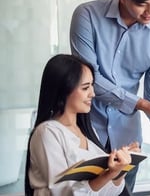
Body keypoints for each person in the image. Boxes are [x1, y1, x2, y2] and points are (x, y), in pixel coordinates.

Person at [69, 0, 150, 194]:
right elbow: (89, 80)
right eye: (143, 4)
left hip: (127, 142)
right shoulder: (86, 16)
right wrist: (143, 104)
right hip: (85, 131)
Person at [25, 54, 141, 195]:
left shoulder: (87, 130)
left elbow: (108, 192)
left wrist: (120, 169)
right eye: (85, 88)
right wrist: (108, 174)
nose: (92, 93)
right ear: (63, 90)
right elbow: (64, 193)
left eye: (92, 86)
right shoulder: (47, 133)